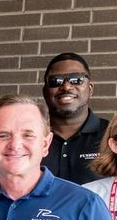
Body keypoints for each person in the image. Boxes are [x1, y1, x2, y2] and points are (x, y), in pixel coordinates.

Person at [41, 53, 109, 183]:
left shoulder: (112, 135)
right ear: (45, 91)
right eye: (55, 81)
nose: (66, 87)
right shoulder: (30, 136)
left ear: (90, 89)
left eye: (76, 79)